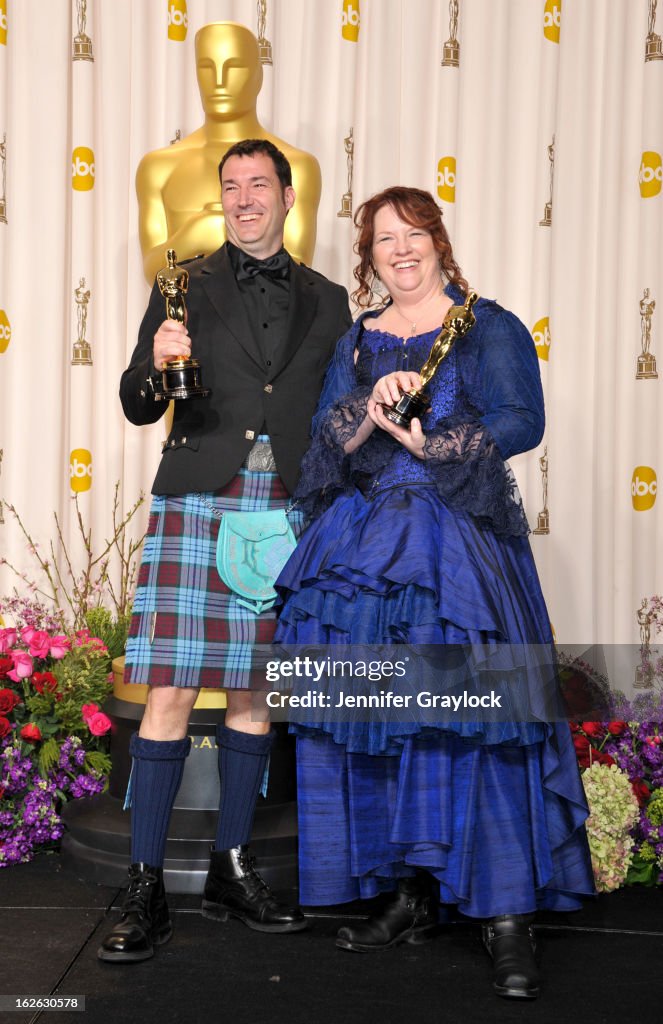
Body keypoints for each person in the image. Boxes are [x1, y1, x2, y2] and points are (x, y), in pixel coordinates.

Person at [274, 186, 595, 999]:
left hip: (457, 552)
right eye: (384, 239)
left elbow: (522, 419)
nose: (400, 249)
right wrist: (366, 406)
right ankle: (411, 894)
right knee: (380, 722)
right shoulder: (356, 340)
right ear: (369, 255)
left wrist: (435, 438)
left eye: (412, 234)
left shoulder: (488, 326)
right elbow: (324, 437)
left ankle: (506, 918)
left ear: (437, 241)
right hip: (365, 557)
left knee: (476, 726)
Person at [98, 139, 351, 963]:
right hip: (200, 494)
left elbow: (336, 412)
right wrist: (156, 366)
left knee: (254, 695)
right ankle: (143, 885)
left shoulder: (329, 298)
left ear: (287, 196)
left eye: (259, 185)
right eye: (232, 187)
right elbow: (139, 400)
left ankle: (232, 868)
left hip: (288, 508)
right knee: (169, 690)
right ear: (223, 200)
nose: (245, 198)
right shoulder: (183, 285)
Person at [136, 22, 321, 282]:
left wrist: (218, 236)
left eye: (233, 67)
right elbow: (152, 272)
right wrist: (196, 234)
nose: (219, 81)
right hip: (185, 320)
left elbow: (300, 268)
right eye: (206, 67)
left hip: (265, 319)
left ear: (259, 76)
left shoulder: (298, 165)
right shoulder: (159, 167)